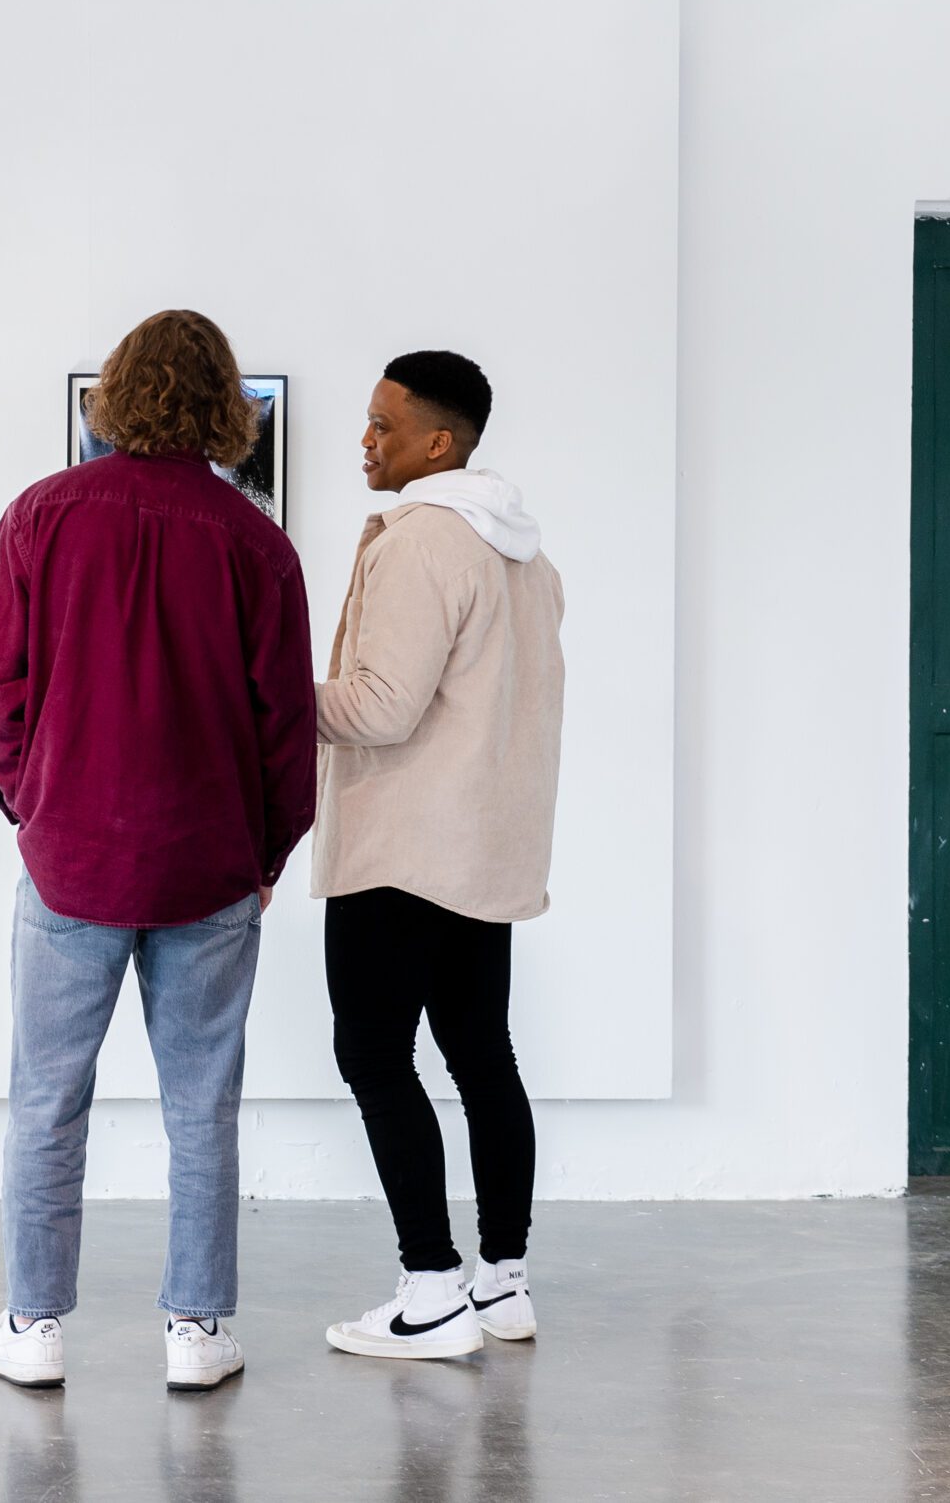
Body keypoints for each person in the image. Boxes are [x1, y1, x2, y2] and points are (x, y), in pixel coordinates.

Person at [0, 309, 316, 1392]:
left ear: (114, 392)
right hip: (209, 868)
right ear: (222, 405)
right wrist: (267, 856)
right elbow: (285, 729)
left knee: (44, 1099)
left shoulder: (41, 517)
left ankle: (32, 1328)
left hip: (70, 865)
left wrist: (37, 804)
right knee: (202, 1104)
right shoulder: (256, 544)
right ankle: (198, 1334)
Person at [311, 350, 565, 1362]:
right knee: (481, 1055)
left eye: (382, 425)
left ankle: (429, 1288)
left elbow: (379, 706)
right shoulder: (525, 555)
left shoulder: (420, 542)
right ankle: (501, 1282)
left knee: (374, 1056)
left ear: (438, 443)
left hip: (401, 848)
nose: (365, 442)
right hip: (485, 847)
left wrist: (263, 706)